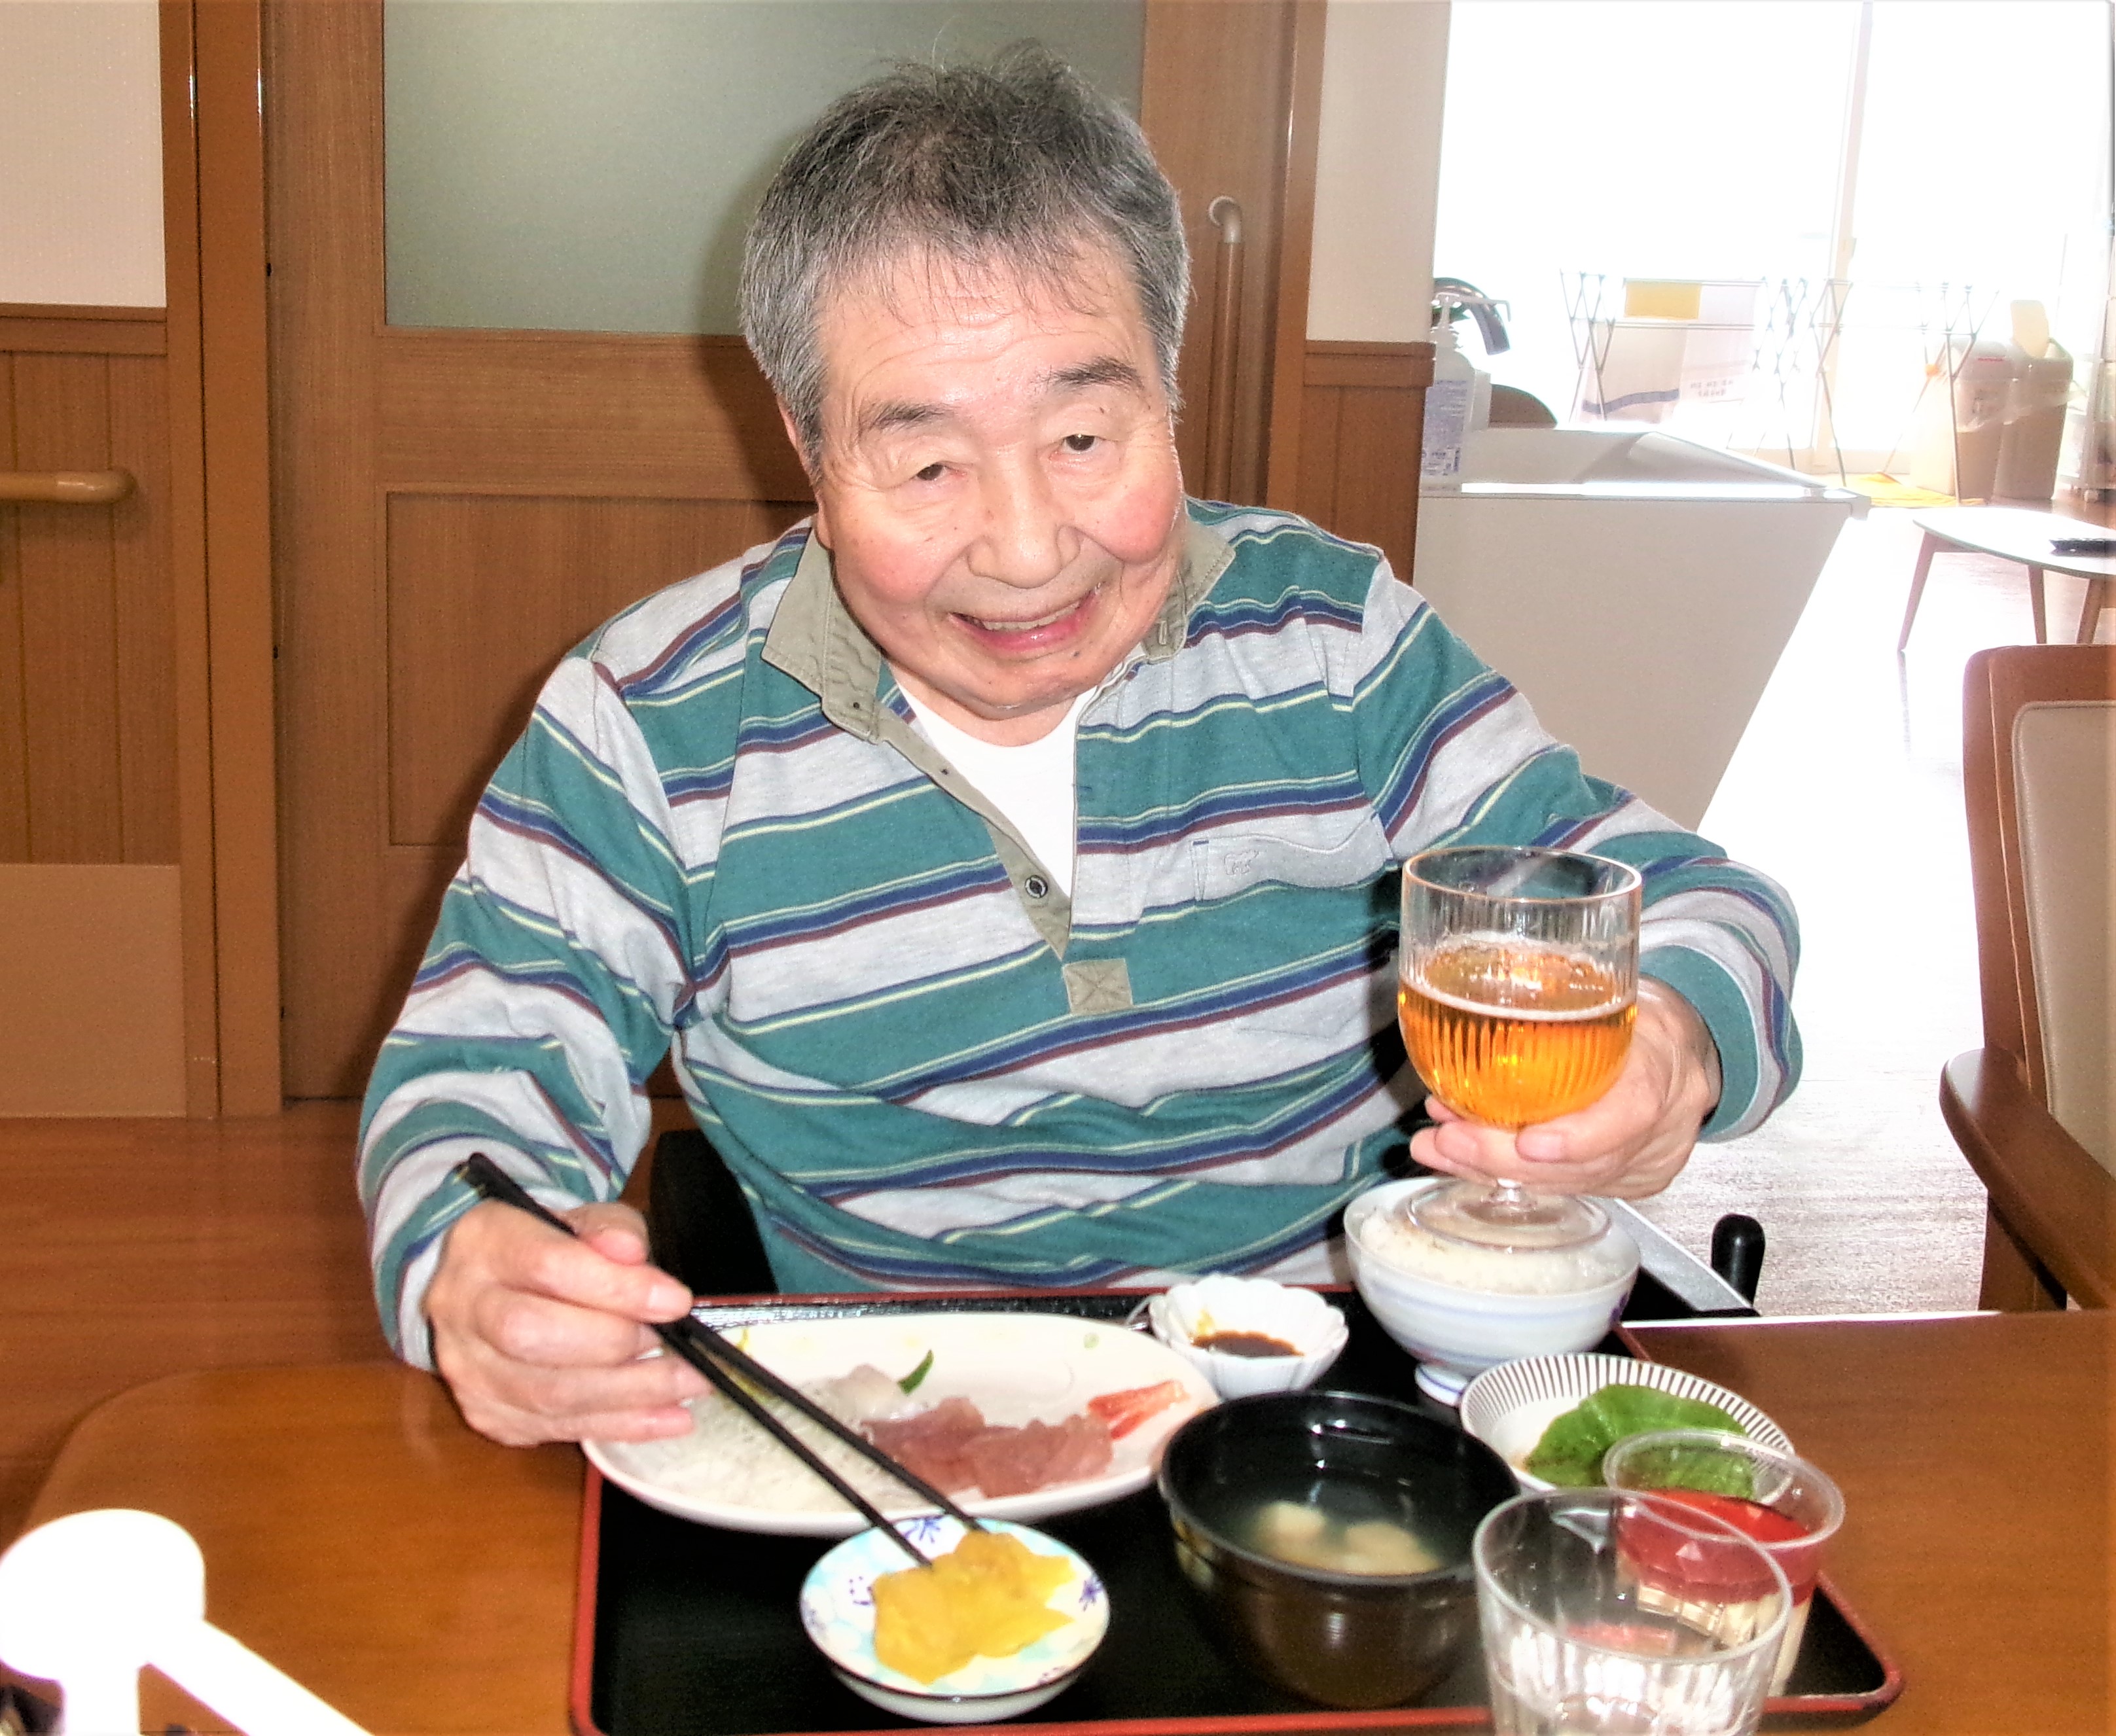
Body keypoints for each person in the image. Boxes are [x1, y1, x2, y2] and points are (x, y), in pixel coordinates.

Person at [359, 47, 1799, 1448]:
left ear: (1167, 394)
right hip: (904, 1436)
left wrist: (1669, 1043)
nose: (1027, 549)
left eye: (1085, 440)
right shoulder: (651, 718)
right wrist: (478, 1267)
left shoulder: (1332, 640)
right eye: (928, 463)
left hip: (1328, 1415)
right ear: (808, 446)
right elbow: (477, 1079)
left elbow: (1690, 899)